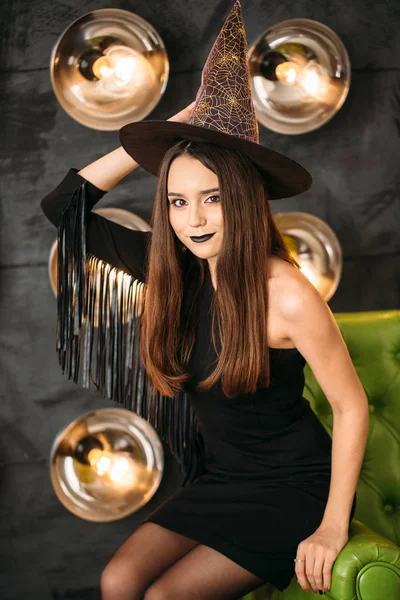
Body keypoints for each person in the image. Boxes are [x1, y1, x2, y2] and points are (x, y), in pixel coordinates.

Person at [40, 1, 368, 598]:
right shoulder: (174, 269)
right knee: (118, 580)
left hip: (293, 486)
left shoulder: (285, 292)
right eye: (178, 200)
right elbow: (64, 209)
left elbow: (350, 408)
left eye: (211, 198)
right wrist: (175, 126)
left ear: (241, 200)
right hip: (221, 480)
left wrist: (331, 525)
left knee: (164, 597)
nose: (193, 218)